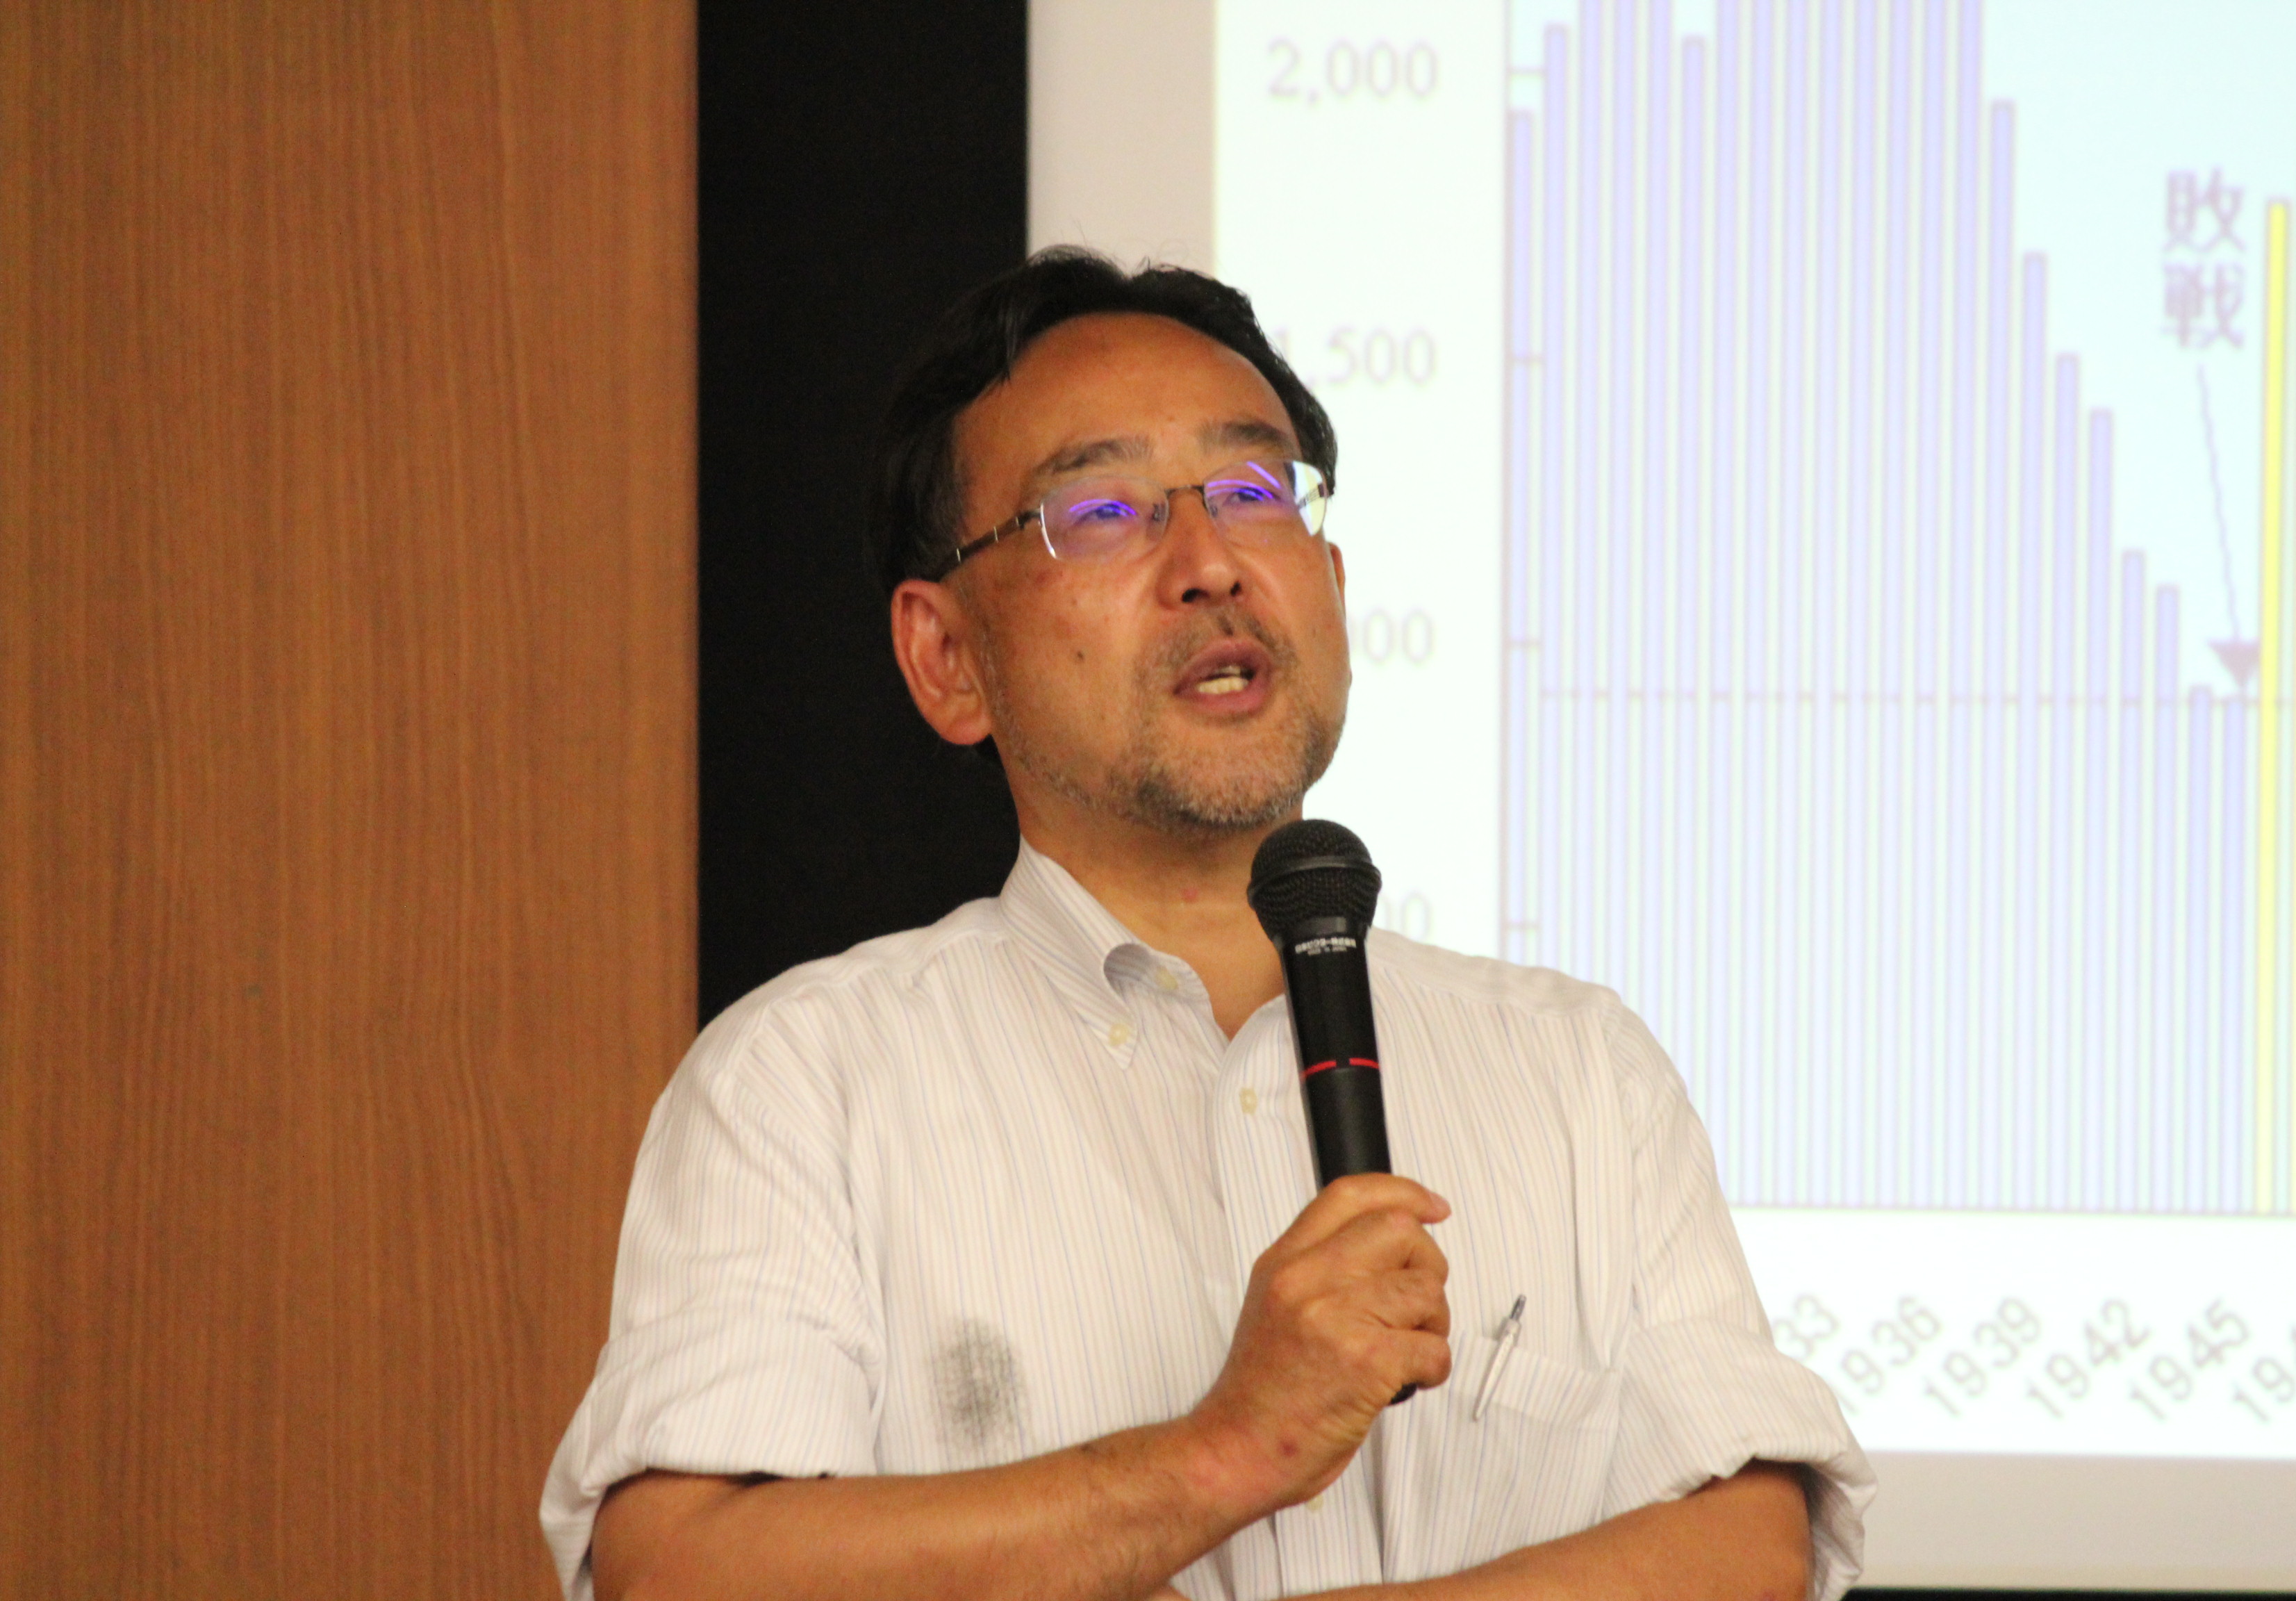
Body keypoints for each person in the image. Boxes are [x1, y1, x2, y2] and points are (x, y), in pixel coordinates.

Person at [541, 249, 1872, 1601]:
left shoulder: (1578, 1067)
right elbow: (683, 1569)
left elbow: (1749, 1542)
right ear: (948, 658)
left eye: (1251, 491)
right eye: (1100, 511)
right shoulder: (806, 1081)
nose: (1210, 565)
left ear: (1333, 582)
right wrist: (1230, 1451)